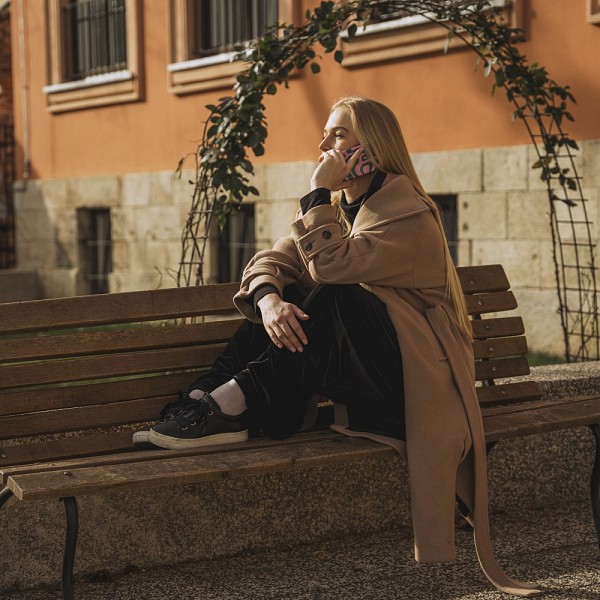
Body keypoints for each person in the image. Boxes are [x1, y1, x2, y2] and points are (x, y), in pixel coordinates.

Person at [133, 96, 541, 598]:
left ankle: (231, 405)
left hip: (414, 389)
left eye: (338, 134)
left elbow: (331, 267)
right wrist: (268, 302)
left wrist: (316, 193)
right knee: (287, 299)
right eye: (326, 133)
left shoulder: (407, 215)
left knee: (333, 293)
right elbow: (271, 261)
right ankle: (210, 398)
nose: (324, 144)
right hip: (364, 373)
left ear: (370, 148)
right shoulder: (339, 212)